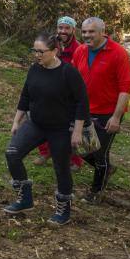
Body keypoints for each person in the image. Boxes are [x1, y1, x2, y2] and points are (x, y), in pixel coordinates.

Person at [4, 33, 90, 225]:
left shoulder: (68, 73)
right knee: (12, 153)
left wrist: (77, 131)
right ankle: (24, 199)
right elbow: (25, 95)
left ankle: (63, 209)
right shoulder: (35, 69)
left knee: (61, 168)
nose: (37, 55)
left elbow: (81, 103)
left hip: (60, 129)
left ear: (54, 51)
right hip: (36, 124)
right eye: (34, 50)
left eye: (41, 51)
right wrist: (17, 121)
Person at [72, 17, 130, 203]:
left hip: (108, 113)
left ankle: (95, 192)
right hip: (85, 111)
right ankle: (107, 168)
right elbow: (73, 80)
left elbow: (125, 88)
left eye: (91, 32)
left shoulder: (118, 53)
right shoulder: (81, 51)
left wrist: (116, 117)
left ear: (102, 32)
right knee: (84, 148)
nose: (87, 35)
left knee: (99, 154)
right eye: (84, 32)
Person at [34, 16, 84, 173]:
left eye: (67, 28)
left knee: (71, 127)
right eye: (60, 28)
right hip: (50, 88)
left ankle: (75, 160)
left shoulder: (79, 48)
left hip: (69, 92)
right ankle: (45, 152)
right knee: (39, 117)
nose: (63, 31)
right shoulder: (51, 43)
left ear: (73, 30)